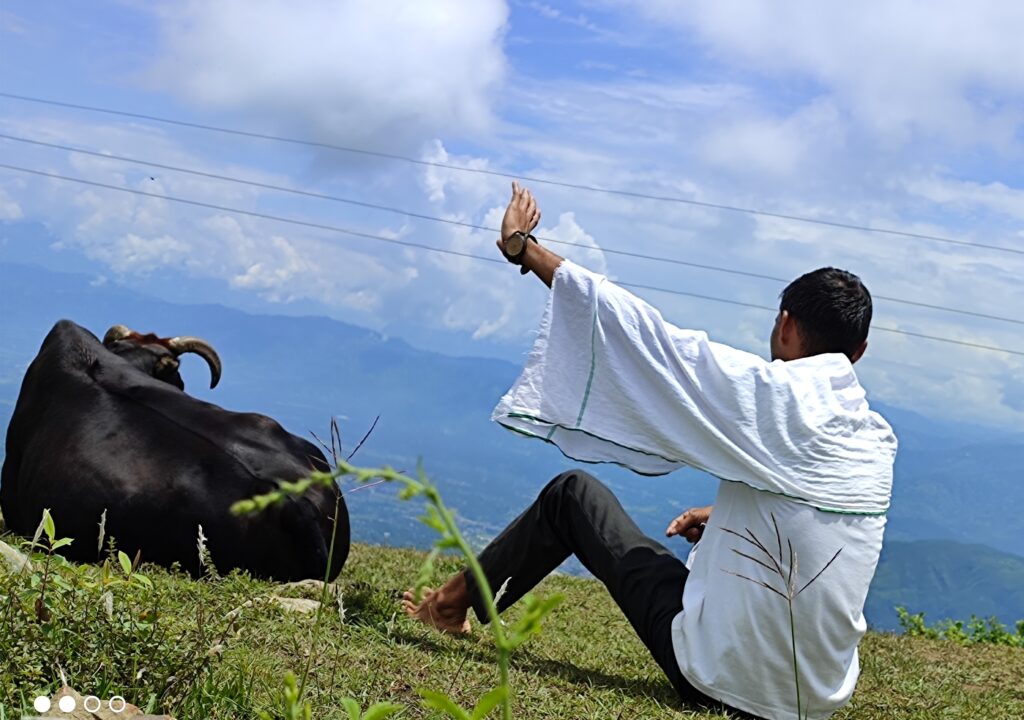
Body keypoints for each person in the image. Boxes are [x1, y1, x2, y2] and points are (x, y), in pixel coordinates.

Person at [402, 182, 898, 720]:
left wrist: (525, 248)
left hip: (724, 682)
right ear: (860, 351)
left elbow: (648, 338)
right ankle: (454, 603)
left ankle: (448, 608)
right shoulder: (876, 440)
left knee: (573, 496)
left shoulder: (772, 398)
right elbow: (816, 510)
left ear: (785, 325)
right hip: (814, 701)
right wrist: (728, 515)